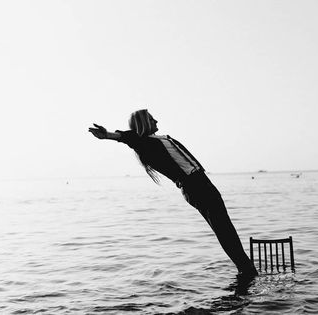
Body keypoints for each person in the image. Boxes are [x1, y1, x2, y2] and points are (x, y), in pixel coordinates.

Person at [88, 109, 258, 277]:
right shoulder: (145, 144)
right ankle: (246, 269)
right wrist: (108, 135)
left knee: (225, 227)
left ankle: (245, 267)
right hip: (194, 186)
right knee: (223, 228)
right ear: (144, 123)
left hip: (202, 182)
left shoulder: (159, 139)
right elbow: (129, 138)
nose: (156, 121)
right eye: (152, 119)